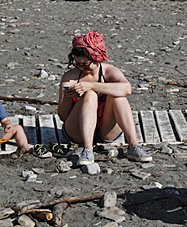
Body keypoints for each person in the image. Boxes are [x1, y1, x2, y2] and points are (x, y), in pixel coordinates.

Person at [58, 31, 151, 165]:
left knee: (118, 96)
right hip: (77, 131)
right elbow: (63, 116)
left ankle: (134, 145)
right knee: (89, 95)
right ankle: (87, 149)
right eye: (78, 64)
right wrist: (67, 99)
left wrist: (92, 85)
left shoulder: (109, 71)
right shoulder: (70, 78)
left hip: (106, 130)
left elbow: (127, 89)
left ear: (97, 59)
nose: (82, 68)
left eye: (86, 64)